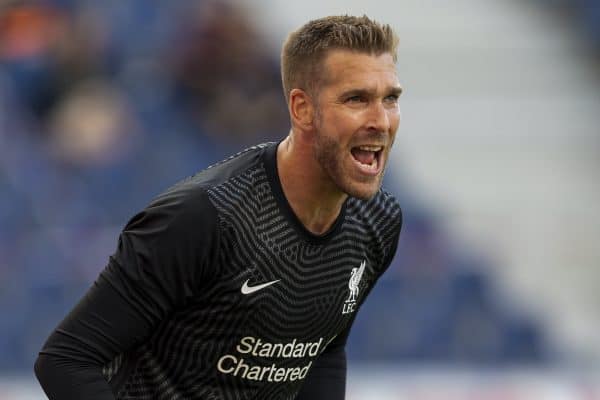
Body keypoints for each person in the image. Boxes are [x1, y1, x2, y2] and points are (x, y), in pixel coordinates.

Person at [34, 14, 404, 400]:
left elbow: (324, 350)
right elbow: (66, 360)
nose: (381, 121)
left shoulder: (377, 222)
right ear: (302, 109)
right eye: (356, 99)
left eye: (390, 99)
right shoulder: (205, 217)